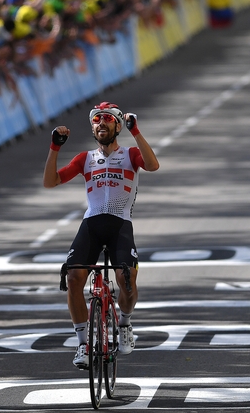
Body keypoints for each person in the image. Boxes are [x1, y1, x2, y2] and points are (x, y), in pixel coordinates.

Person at [43, 101, 159, 369]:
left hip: (120, 224)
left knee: (126, 280)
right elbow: (50, 182)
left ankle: (125, 323)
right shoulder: (85, 159)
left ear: (117, 125)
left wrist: (137, 131)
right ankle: (84, 343)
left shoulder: (130, 154)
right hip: (92, 223)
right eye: (96, 120)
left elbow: (152, 165)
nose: (101, 123)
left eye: (107, 119)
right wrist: (55, 147)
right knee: (73, 277)